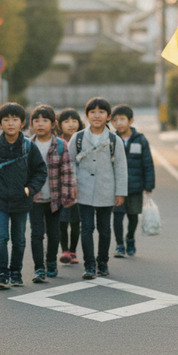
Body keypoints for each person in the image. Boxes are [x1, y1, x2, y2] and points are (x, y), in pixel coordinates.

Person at [0, 102, 47, 289]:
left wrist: (30, 189)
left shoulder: (29, 147)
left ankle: (16, 273)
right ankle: (2, 274)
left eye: (15, 119)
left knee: (19, 239)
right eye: (6, 120)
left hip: (21, 200)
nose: (10, 123)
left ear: (22, 123)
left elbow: (40, 171)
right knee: (1, 237)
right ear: (0, 123)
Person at [69, 97, 127, 280]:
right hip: (83, 189)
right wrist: (72, 184)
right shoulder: (78, 138)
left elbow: (120, 167)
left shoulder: (114, 140)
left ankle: (102, 262)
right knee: (86, 227)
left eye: (101, 112)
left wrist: (120, 192)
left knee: (105, 228)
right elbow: (69, 163)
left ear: (108, 116)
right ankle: (89, 265)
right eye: (92, 112)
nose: (96, 115)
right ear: (86, 115)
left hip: (106, 189)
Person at [29, 104, 77, 282]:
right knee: (36, 234)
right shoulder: (28, 145)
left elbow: (67, 171)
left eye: (45, 120)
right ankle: (39, 269)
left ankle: (51, 263)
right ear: (31, 124)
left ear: (53, 124)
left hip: (54, 198)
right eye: (36, 121)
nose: (40, 124)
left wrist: (68, 195)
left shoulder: (60, 145)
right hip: (34, 198)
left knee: (54, 233)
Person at [110, 105, 155, 257]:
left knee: (133, 217)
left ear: (131, 120)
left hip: (135, 187)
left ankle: (130, 238)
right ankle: (119, 245)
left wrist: (149, 186)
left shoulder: (140, 140)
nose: (119, 123)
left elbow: (148, 163)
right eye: (115, 120)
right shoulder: (111, 140)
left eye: (122, 119)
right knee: (117, 217)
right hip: (117, 188)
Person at [56, 108, 84, 264]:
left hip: (80, 187)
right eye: (66, 121)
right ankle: (64, 250)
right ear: (59, 125)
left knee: (75, 220)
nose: (71, 124)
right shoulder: (57, 142)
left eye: (74, 121)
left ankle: (73, 251)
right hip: (60, 188)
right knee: (62, 220)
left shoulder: (83, 141)